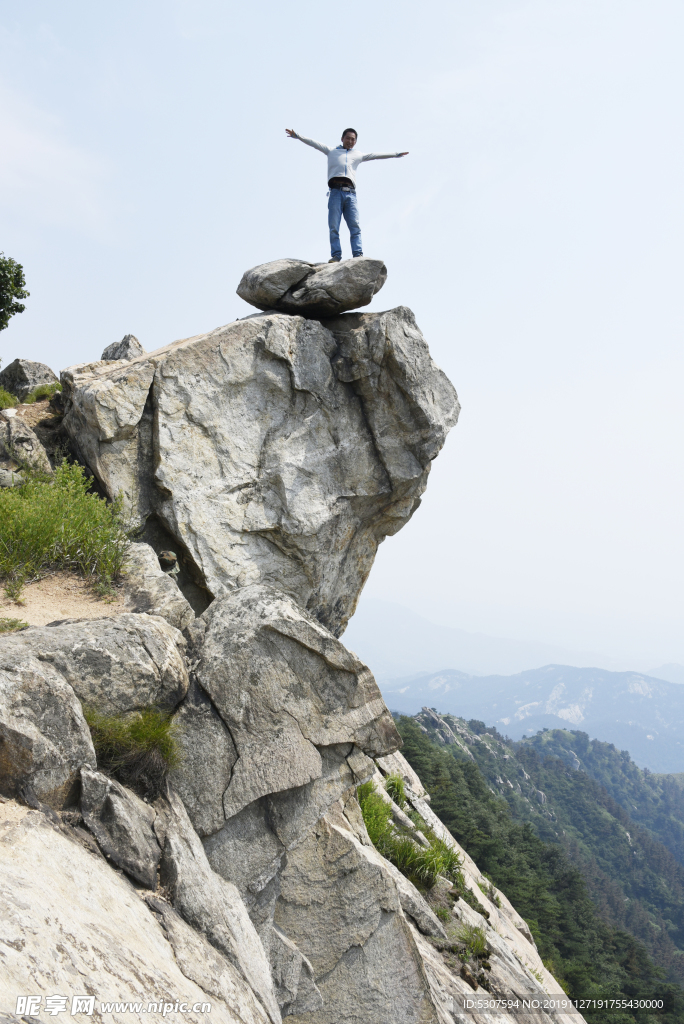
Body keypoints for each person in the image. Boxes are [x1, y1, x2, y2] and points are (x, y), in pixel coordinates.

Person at [285, 128, 408, 262]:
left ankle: (358, 255)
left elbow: (375, 155)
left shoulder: (358, 155)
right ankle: (336, 256)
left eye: (353, 139)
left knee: (355, 226)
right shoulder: (331, 151)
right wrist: (297, 136)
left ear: (355, 142)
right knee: (334, 226)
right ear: (342, 138)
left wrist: (396, 154)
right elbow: (314, 143)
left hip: (351, 194)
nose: (350, 141)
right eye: (348, 138)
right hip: (335, 193)